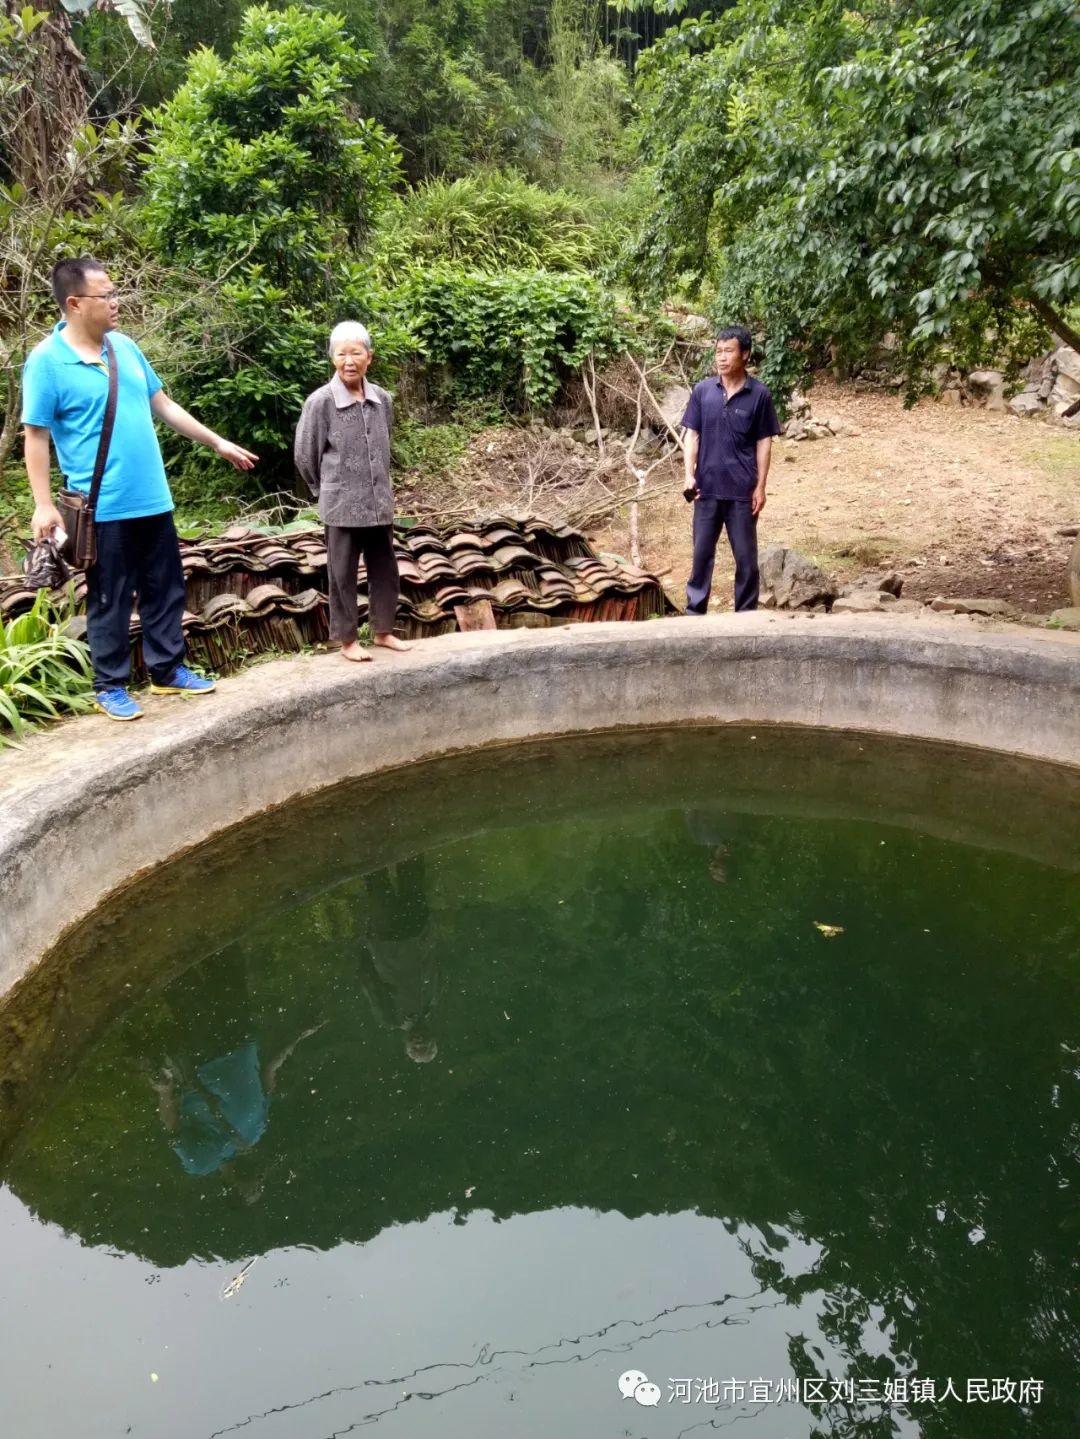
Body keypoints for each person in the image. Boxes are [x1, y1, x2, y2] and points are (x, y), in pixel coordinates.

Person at [22, 256, 259, 721]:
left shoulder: (125, 348)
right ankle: (108, 684)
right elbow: (36, 435)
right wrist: (43, 505)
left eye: (115, 293)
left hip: (151, 496)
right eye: (106, 295)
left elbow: (163, 405)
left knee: (164, 587)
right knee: (110, 595)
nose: (116, 302)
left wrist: (217, 441)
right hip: (101, 506)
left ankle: (167, 670)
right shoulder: (47, 362)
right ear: (74, 303)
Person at [294, 321, 411, 662]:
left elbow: (383, 444)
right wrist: (325, 489)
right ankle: (347, 640)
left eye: (356, 352)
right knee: (342, 574)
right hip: (341, 505)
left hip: (378, 502)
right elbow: (305, 454)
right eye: (341, 353)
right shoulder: (321, 402)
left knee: (385, 569)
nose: (349, 360)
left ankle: (384, 631)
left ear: (369, 358)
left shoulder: (382, 400)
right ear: (332, 358)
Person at [681, 326, 781, 613]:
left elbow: (764, 442)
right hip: (706, 490)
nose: (722, 358)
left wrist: (761, 486)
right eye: (718, 351)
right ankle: (694, 614)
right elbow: (692, 435)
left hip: (742, 493)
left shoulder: (759, 395)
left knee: (747, 561)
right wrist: (689, 474)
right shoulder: (702, 392)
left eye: (729, 351)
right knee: (701, 557)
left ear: (745, 355)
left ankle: (746, 618)